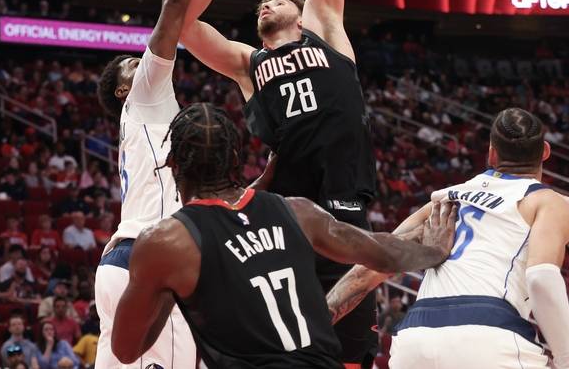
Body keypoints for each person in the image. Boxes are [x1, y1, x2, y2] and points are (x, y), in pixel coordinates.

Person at [179, 0, 379, 364]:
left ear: (299, 10)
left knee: (353, 353)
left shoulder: (326, 27)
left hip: (343, 208)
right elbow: (182, 26)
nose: (265, 5)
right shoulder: (248, 64)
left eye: (276, 1)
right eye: (261, 5)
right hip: (283, 219)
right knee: (288, 348)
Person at [110, 103, 455, 368]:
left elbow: (126, 350)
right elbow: (383, 252)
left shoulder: (166, 242)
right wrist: (434, 251)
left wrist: (168, 287)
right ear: (236, 157)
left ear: (172, 163)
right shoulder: (298, 211)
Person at [326, 108, 569, 369]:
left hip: (415, 338)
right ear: (545, 151)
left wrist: (316, 324)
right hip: (489, 333)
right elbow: (541, 277)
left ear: (492, 153)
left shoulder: (444, 199)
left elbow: (374, 263)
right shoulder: (550, 202)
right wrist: (568, 362)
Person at [93, 0, 208, 369]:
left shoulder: (150, 113)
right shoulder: (144, 93)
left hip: (123, 261)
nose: (139, 62)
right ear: (124, 88)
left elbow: (181, 19)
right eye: (130, 65)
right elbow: (174, 4)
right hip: (150, 258)